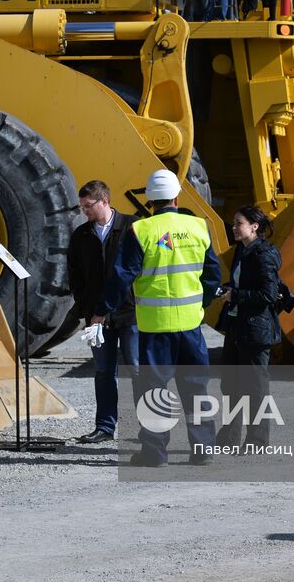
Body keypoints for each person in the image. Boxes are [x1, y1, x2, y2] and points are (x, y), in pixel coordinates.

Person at [95, 168, 222, 467]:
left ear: (149, 201)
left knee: (155, 392)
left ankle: (155, 453)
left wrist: (101, 311)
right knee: (196, 389)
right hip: (191, 327)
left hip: (155, 329)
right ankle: (203, 449)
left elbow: (122, 277)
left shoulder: (141, 231)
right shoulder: (199, 227)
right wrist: (200, 305)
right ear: (177, 197)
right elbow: (212, 276)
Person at [67, 180, 137, 443]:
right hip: (97, 316)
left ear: (104, 201)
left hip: (130, 313)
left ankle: (146, 429)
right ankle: (105, 427)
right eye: (82, 206)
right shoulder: (81, 235)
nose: (84, 211)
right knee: (104, 371)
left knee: (137, 370)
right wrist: (86, 306)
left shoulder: (132, 227)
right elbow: (75, 274)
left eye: (88, 206)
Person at [214, 206, 282, 449]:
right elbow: (242, 283)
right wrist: (227, 289)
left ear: (254, 226)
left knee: (255, 388)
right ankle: (230, 437)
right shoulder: (242, 250)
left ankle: (257, 440)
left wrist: (236, 295)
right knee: (230, 384)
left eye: (238, 223)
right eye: (233, 223)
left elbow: (268, 294)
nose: (233, 228)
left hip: (255, 330)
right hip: (237, 326)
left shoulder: (264, 254)